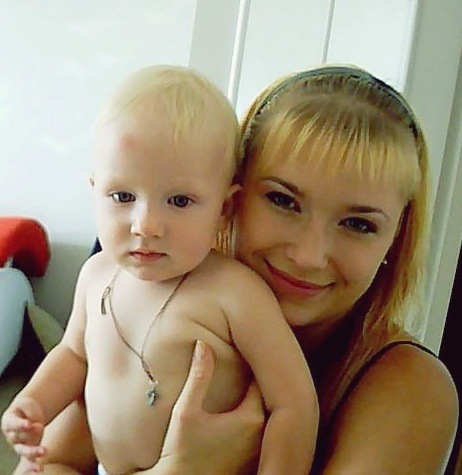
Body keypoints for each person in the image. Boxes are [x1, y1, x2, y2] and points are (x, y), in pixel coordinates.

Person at [7, 64, 459, 474]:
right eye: (282, 200)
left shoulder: (410, 387)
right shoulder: (133, 292)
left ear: (395, 239)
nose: (308, 254)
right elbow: (50, 460)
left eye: (358, 224)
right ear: (232, 200)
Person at [1, 65, 318, 475]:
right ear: (95, 191)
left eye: (180, 201)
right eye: (122, 196)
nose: (145, 225)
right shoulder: (96, 274)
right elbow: (73, 354)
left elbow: (294, 404)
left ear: (224, 209)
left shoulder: (235, 293)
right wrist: (34, 404)